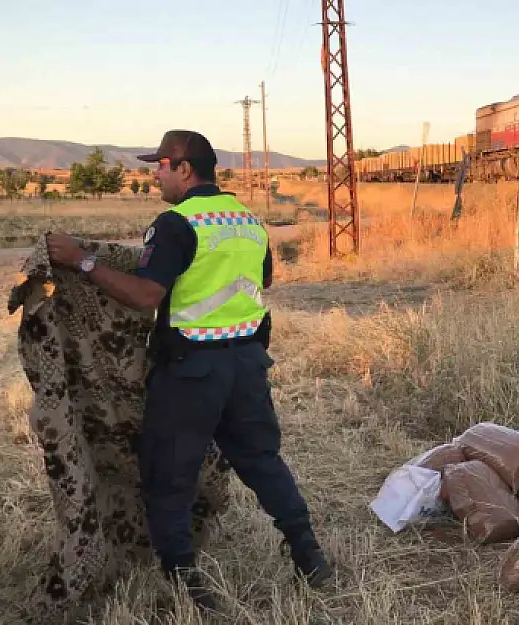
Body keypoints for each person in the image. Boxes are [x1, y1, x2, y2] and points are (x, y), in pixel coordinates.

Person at [44, 130, 332, 611]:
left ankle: (184, 582)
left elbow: (145, 296)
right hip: (246, 366)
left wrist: (83, 261)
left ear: (182, 168)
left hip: (192, 370)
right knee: (263, 462)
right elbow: (260, 281)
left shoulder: (176, 223)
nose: (153, 175)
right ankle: (309, 556)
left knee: (168, 476)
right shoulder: (247, 221)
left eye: (159, 165)